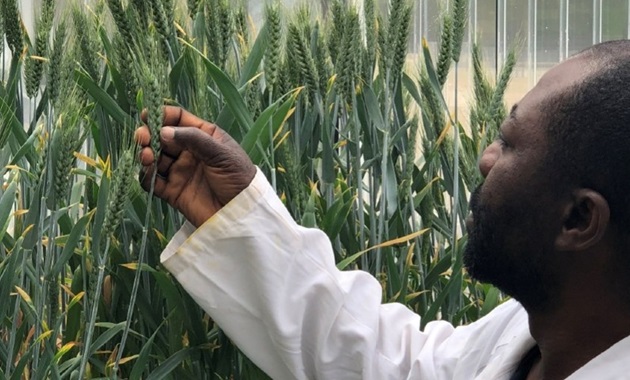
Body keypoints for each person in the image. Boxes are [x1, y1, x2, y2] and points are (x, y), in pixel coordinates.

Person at [135, 40, 630, 379]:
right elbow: (389, 362)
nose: (485, 159)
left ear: (579, 220)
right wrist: (242, 216)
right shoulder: (531, 337)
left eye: (508, 140)